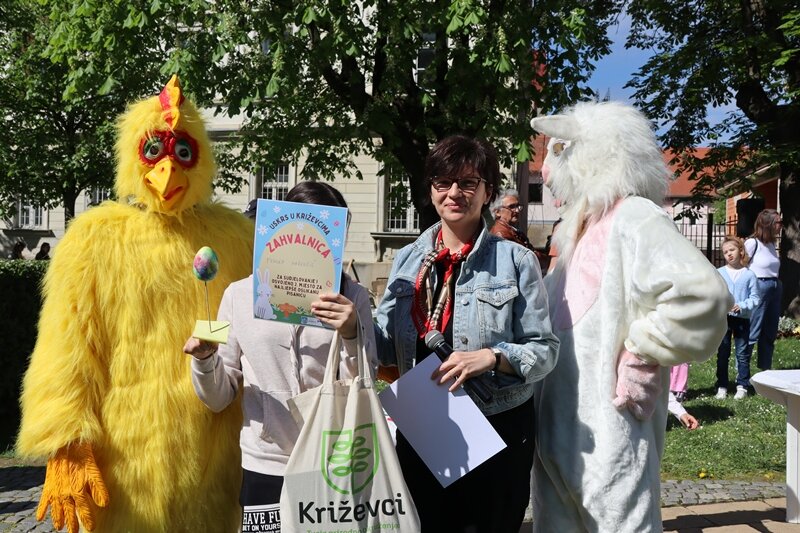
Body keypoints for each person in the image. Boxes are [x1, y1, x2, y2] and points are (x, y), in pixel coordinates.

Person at [530, 101, 730, 533]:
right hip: (557, 436)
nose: (546, 172)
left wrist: (642, 355)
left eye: (560, 151)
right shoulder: (577, 230)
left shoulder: (634, 217)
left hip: (612, 432)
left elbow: (702, 295)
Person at [373, 135, 559, 532]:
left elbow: (544, 349)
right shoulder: (406, 261)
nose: (454, 192)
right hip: (423, 422)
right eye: (443, 182)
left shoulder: (516, 260)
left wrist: (492, 357)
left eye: (468, 182)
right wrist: (352, 322)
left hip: (496, 424)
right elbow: (385, 348)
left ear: (487, 192)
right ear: (431, 190)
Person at [184, 181, 377, 531]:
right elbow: (218, 398)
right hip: (264, 462)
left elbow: (364, 384)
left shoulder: (353, 297)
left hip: (331, 459)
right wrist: (205, 361)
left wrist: (352, 334)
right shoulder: (239, 295)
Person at [715, 235, 760, 400]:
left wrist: (742, 305)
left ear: (740, 251)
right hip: (723, 319)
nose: (729, 254)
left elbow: (755, 298)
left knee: (742, 353)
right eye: (725, 252)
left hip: (742, 319)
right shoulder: (719, 273)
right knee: (723, 352)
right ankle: (722, 385)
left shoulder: (749, 275)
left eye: (732, 250)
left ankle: (742, 385)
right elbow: (714, 293)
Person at [744, 209, 782, 378]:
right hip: (759, 286)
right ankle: (743, 374)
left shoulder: (771, 244)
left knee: (769, 331)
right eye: (778, 222)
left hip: (774, 286)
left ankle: (765, 371)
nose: (780, 226)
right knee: (753, 329)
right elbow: (741, 265)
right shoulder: (753, 243)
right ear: (768, 224)